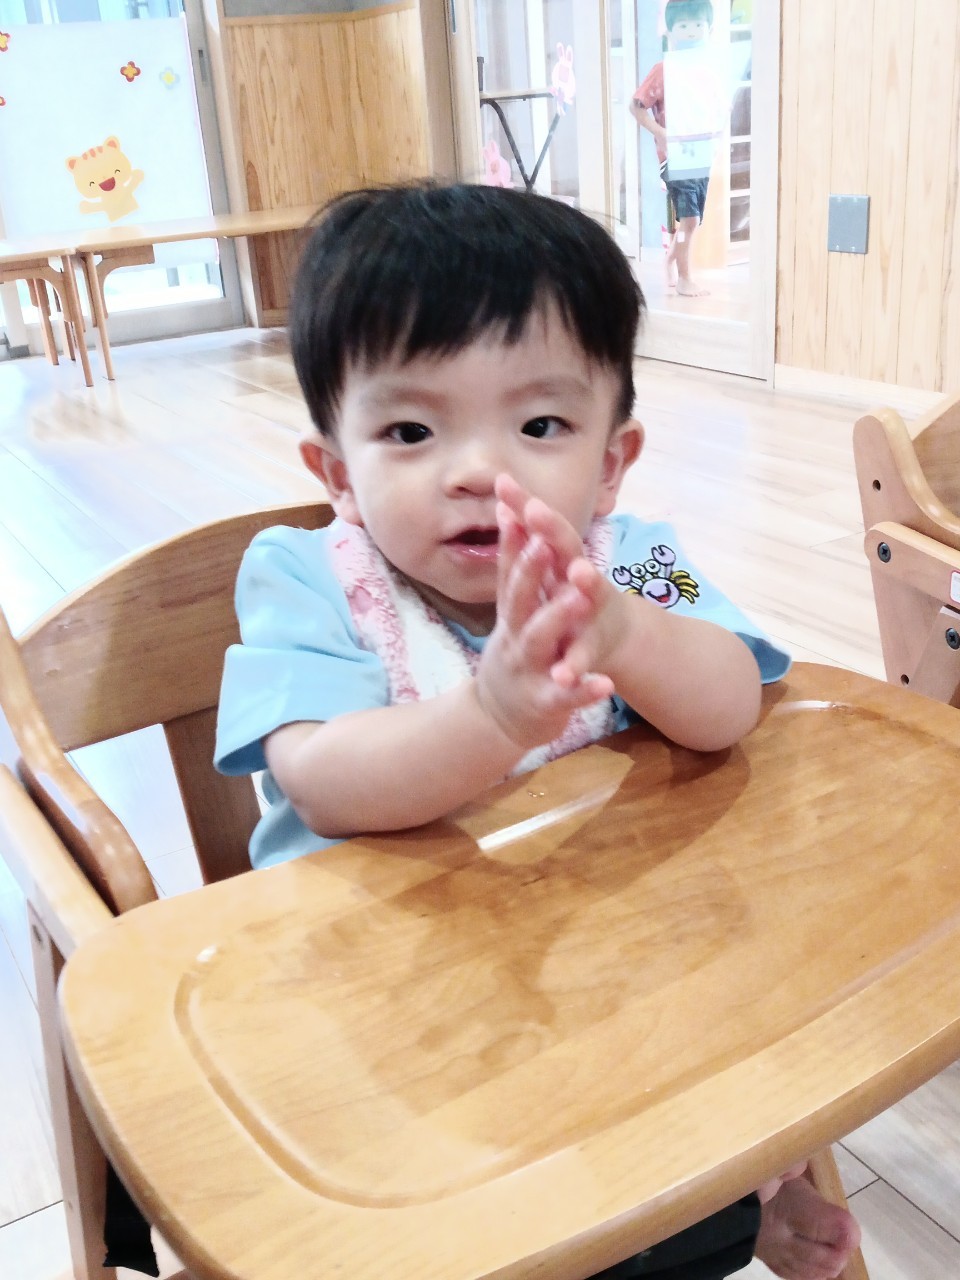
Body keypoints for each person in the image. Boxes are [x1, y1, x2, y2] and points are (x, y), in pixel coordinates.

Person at [215, 181, 861, 1280]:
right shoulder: (304, 576)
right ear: (336, 471)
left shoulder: (635, 558)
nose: (481, 469)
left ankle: (734, 1206)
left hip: (603, 960)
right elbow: (320, 776)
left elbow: (728, 705)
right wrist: (492, 714)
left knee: (714, 1078)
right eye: (410, 430)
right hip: (388, 994)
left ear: (611, 461)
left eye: (540, 425)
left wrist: (626, 630)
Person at [630, 0, 723, 298]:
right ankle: (684, 278)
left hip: (702, 154)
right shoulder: (663, 70)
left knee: (691, 221)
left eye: (698, 25)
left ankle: (671, 259)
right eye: (683, 25)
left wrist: (716, 141)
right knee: (690, 218)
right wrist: (660, 133)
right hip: (675, 157)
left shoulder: (707, 71)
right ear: (670, 31)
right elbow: (636, 106)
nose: (691, 31)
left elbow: (717, 110)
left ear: (709, 29)